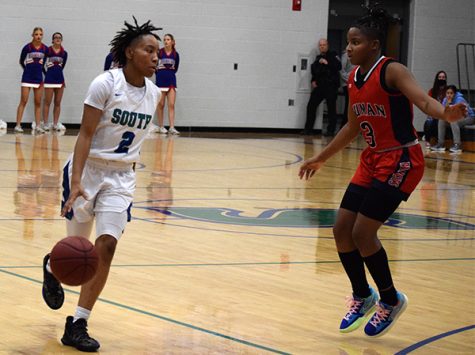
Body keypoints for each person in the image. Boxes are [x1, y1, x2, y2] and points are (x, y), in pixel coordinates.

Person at [299, 7, 467, 338]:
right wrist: (321, 158)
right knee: (341, 229)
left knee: (363, 233)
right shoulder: (353, 80)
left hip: (402, 159)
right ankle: (363, 295)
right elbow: (352, 126)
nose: (348, 48)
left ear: (374, 44)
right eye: (347, 43)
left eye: (356, 42)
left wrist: (445, 114)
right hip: (372, 159)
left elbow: (422, 101)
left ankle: (390, 299)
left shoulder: (392, 70)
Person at [41, 17, 162, 352]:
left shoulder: (155, 94)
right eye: (149, 50)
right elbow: (85, 135)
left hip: (121, 177)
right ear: (130, 52)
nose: (157, 57)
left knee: (105, 247)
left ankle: (78, 322)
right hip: (88, 171)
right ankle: (51, 265)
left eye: (159, 51)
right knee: (77, 255)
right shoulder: (105, 84)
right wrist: (77, 180)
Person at [302, 38, 341, 136]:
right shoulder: (318, 58)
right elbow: (314, 71)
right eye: (320, 45)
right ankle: (308, 129)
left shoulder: (333, 55)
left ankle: (330, 131)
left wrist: (327, 63)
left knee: (331, 109)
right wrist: (313, 80)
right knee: (311, 106)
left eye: (324, 44)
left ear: (327, 45)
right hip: (320, 86)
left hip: (331, 86)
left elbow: (338, 66)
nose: (322, 46)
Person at [15, 27, 48, 134]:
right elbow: (21, 61)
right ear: (32, 35)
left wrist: (43, 74)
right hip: (27, 77)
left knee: (38, 102)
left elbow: (43, 63)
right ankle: (18, 125)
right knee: (23, 101)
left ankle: (38, 125)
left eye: (40, 34)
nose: (38, 36)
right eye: (36, 34)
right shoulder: (27, 47)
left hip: (38, 78)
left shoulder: (45, 49)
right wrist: (27, 70)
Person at [430, 85, 475, 153]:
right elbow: (443, 113)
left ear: (455, 94)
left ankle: (457, 145)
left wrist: (450, 104)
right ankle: (440, 144)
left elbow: (457, 114)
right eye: (447, 93)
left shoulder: (459, 99)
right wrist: (447, 104)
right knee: (441, 120)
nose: (449, 95)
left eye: (451, 93)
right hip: (456, 118)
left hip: (469, 117)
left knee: (453, 120)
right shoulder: (445, 100)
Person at [154, 33, 180, 135]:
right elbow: (154, 65)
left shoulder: (175, 54)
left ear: (172, 42)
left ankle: (172, 127)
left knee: (171, 104)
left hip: (171, 80)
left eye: (168, 39)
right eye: (164, 39)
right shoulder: (159, 52)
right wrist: (160, 73)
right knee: (161, 104)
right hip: (160, 80)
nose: (166, 41)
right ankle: (161, 126)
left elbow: (176, 68)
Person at [42, 32, 68, 132]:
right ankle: (45, 123)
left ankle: (55, 123)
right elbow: (42, 65)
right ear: (52, 40)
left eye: (59, 38)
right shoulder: (47, 51)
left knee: (57, 102)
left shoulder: (64, 53)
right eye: (55, 37)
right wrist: (47, 74)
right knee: (47, 102)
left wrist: (59, 76)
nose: (57, 39)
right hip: (49, 79)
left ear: (61, 40)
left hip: (60, 80)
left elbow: (62, 67)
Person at [423, 71, 447, 145]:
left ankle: (437, 140)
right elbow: (428, 103)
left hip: (443, 114)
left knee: (437, 122)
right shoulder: (432, 91)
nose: (441, 79)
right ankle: (428, 140)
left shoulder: (447, 91)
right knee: (428, 122)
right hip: (433, 113)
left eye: (443, 77)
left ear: (445, 79)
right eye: (440, 77)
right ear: (437, 78)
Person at [339, 50, 355, 130]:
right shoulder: (346, 55)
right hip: (347, 83)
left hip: (356, 83)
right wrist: (349, 79)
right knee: (349, 104)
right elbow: (341, 70)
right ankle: (344, 126)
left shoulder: (360, 55)